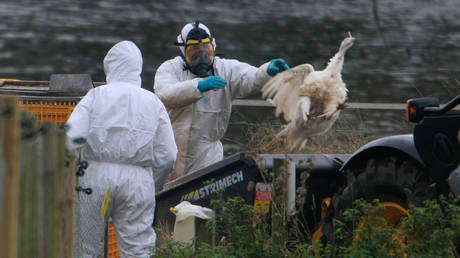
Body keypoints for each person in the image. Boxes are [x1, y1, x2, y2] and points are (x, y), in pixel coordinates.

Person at [66, 40, 177, 257]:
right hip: (138, 181)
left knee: (86, 248)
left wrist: (74, 175)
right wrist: (152, 185)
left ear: (110, 67)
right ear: (138, 67)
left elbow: (69, 139)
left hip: (94, 177)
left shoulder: (95, 96)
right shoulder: (153, 102)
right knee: (138, 250)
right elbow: (168, 155)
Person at [154, 21, 290, 180]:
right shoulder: (170, 69)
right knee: (166, 197)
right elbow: (165, 94)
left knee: (202, 199)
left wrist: (266, 71)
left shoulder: (225, 69)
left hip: (207, 155)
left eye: (206, 48)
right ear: (183, 50)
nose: (202, 54)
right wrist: (199, 86)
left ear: (213, 46)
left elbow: (249, 78)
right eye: (194, 50)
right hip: (172, 153)